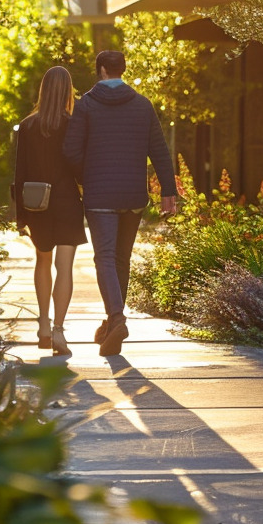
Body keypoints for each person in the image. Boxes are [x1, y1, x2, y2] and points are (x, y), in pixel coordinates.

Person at [63, 50, 177, 356]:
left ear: (101, 70)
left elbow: (71, 152)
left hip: (100, 195)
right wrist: (169, 192)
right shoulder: (142, 106)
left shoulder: (85, 106)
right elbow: (160, 151)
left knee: (105, 258)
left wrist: (88, 176)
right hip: (132, 196)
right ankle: (112, 322)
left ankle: (116, 318)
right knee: (121, 259)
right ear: (122, 70)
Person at [13, 65, 86, 356]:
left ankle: (42, 324)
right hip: (67, 202)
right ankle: (59, 330)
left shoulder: (28, 126)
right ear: (68, 92)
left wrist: (20, 216)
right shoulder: (73, 125)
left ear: (43, 90)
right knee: (64, 267)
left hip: (36, 203)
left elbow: (20, 173)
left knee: (42, 262)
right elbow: (79, 167)